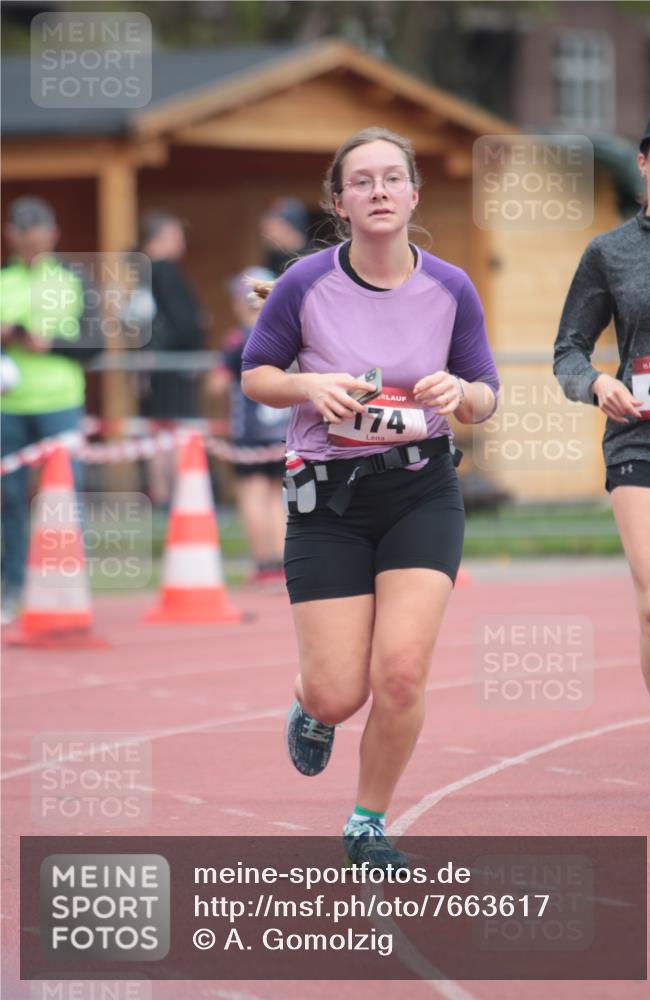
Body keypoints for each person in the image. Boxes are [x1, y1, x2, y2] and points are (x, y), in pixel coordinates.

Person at [241, 126, 499, 867]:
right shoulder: (303, 285)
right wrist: (307, 384)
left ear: (413, 194)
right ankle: (308, 705)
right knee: (337, 693)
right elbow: (255, 374)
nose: (378, 191)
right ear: (339, 203)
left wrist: (462, 394)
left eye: (392, 178)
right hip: (327, 501)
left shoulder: (449, 286)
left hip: (421, 490)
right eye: (362, 182)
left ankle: (365, 820)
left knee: (399, 671)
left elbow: (485, 395)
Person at [554, 105, 650, 811]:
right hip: (640, 441)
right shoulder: (610, 251)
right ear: (644, 162)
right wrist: (595, 383)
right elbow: (568, 346)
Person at [1, 197, 101, 624]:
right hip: (9, 405)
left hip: (60, 402)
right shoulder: (4, 280)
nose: (31, 239)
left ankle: (64, 584)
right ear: (11, 235)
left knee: (62, 497)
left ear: (54, 234)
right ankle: (13, 586)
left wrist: (51, 344)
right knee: (9, 500)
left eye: (39, 231)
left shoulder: (74, 279)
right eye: (23, 232)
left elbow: (95, 343)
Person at [206, 267, 288, 585]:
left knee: (253, 494)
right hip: (281, 429)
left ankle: (264, 563)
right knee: (276, 495)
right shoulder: (284, 334)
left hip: (250, 431)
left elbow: (216, 384)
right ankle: (282, 562)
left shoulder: (238, 339)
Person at [137, 211, 206, 505]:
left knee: (159, 430)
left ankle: (164, 496)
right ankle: (172, 498)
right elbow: (184, 322)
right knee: (172, 431)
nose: (181, 243)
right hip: (170, 366)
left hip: (154, 365)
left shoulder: (140, 272)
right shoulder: (162, 270)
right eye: (176, 236)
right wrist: (197, 331)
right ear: (159, 239)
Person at [259, 197, 311, 276]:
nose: (265, 235)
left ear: (287, 228)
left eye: (270, 229)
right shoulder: (274, 257)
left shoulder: (312, 258)